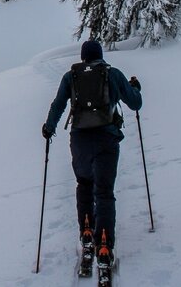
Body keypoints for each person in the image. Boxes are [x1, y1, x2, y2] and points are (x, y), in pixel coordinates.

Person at [41, 40, 142, 267]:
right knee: (104, 192)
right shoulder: (112, 74)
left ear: (83, 57)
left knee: (84, 184)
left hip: (79, 141)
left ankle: (87, 232)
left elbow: (58, 105)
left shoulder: (71, 76)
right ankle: (104, 245)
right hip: (106, 139)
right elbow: (135, 103)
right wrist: (135, 87)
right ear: (100, 55)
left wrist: (49, 127)